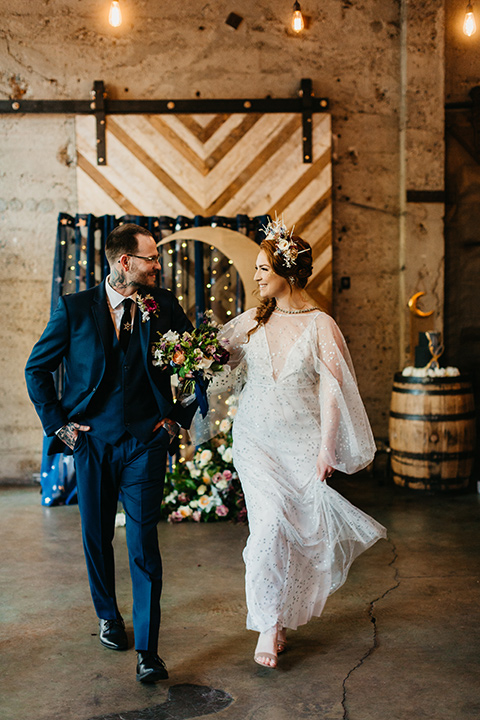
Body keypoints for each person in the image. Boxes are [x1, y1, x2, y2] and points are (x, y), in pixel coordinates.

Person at [25, 223, 197, 683]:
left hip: (145, 442)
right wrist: (60, 427)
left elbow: (203, 359)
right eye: (152, 259)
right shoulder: (74, 309)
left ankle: (148, 650)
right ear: (125, 262)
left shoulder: (165, 307)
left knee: (144, 544)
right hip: (92, 441)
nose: (158, 266)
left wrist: (180, 415)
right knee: (97, 535)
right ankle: (108, 615)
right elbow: (36, 369)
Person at [214, 219, 387, 668]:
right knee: (269, 528)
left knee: (298, 535)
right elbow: (214, 363)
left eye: (262, 268)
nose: (255, 277)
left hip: (302, 442)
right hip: (255, 440)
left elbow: (333, 391)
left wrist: (328, 448)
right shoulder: (251, 321)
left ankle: (281, 615)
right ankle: (268, 626)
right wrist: (191, 359)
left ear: (287, 272)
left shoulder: (320, 325)